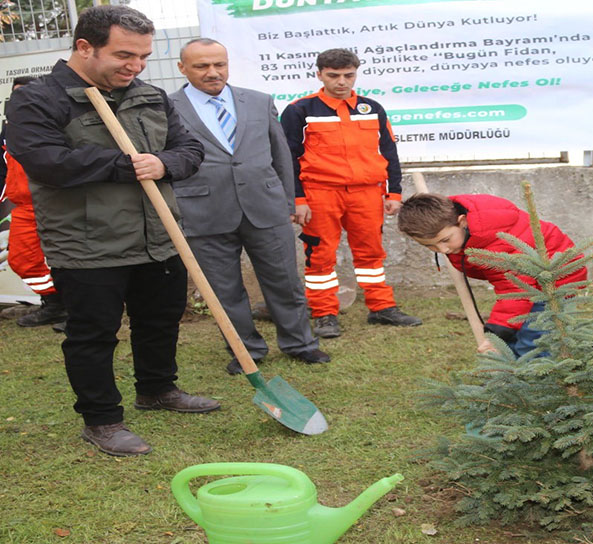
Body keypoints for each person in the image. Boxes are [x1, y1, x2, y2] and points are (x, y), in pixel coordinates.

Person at [5, 5, 217, 457]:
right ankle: (101, 419)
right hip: (87, 241)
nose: (136, 66)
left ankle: (158, 389)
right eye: (124, 55)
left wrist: (163, 162)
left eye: (143, 56)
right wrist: (126, 166)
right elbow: (46, 161)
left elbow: (190, 150)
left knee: (159, 319)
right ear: (84, 47)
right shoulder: (39, 99)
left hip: (159, 234)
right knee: (93, 332)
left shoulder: (150, 96)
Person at [170, 38, 329, 375]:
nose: (213, 73)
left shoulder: (258, 101)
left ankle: (300, 343)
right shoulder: (166, 107)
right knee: (224, 289)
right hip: (202, 212)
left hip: (265, 206)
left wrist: (288, 200)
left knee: (284, 281)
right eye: (202, 66)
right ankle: (246, 350)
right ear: (182, 68)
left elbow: (280, 155)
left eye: (220, 64)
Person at [279, 48, 420, 339]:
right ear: (319, 74)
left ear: (356, 73)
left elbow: (389, 151)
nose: (342, 82)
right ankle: (324, 313)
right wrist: (298, 199)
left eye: (348, 75)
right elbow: (286, 158)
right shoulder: (299, 110)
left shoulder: (372, 108)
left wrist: (394, 193)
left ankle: (381, 307)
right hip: (319, 193)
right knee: (320, 255)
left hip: (367, 193)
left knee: (371, 253)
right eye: (334, 76)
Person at [397, 193, 587, 356]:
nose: (442, 249)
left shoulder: (496, 244)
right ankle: (507, 378)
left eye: (445, 240)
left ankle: (535, 385)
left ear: (462, 221)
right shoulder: (453, 220)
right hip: (525, 281)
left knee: (535, 339)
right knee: (518, 333)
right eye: (429, 245)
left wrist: (497, 335)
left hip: (556, 278)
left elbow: (515, 292)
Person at [1, 75, 69, 328]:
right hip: (24, 206)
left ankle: (78, 309)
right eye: (16, 94)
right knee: (21, 260)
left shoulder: (59, 120)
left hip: (58, 202)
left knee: (71, 260)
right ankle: (55, 304)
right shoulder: (9, 127)